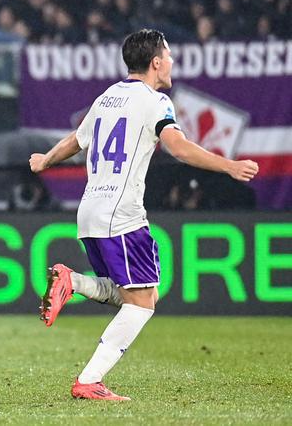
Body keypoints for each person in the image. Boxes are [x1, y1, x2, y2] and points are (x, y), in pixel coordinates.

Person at [29, 29, 258, 401]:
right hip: (121, 214)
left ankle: (75, 282)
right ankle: (89, 380)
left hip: (89, 212)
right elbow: (179, 148)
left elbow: (76, 139)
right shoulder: (156, 102)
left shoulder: (107, 97)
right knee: (143, 303)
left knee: (133, 295)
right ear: (155, 63)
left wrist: (45, 160)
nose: (171, 63)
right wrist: (228, 166)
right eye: (168, 56)